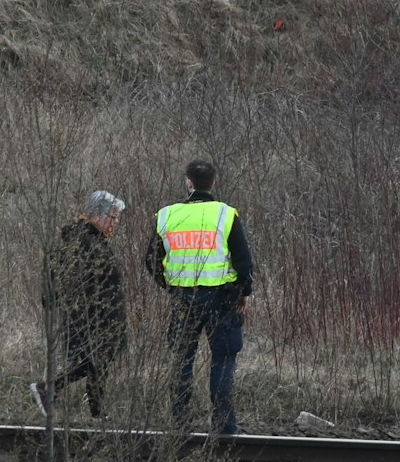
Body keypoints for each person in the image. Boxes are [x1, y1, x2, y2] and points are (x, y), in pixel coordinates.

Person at [145, 160, 254, 436]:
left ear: (188, 183)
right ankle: (223, 428)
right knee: (223, 360)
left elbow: (150, 260)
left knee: (182, 360)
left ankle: (180, 424)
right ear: (213, 183)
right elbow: (243, 261)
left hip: (183, 300)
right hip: (221, 300)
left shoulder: (167, 216)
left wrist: (170, 286)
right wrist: (244, 292)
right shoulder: (225, 215)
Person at [31, 189, 128, 421]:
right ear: (96, 214)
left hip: (100, 314)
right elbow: (59, 271)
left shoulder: (92, 239)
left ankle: (95, 412)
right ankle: (49, 389)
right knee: (95, 360)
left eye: (117, 218)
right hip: (91, 315)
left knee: (96, 362)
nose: (115, 223)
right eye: (112, 217)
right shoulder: (84, 240)